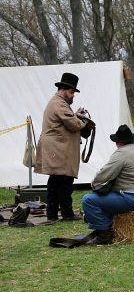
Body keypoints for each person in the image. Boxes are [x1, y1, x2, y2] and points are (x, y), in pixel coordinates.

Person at [82, 125, 134, 245]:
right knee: (102, 199)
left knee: (89, 200)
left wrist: (94, 183)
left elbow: (105, 173)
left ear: (118, 142)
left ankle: (104, 235)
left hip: (129, 197)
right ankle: (106, 227)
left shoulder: (121, 153)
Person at [35, 73, 87, 222]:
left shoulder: (58, 103)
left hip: (57, 149)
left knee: (55, 183)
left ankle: (52, 214)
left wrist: (75, 114)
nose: (73, 96)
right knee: (64, 183)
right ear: (63, 89)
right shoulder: (59, 104)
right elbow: (74, 124)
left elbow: (68, 118)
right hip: (58, 150)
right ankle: (67, 214)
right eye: (71, 92)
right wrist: (85, 121)